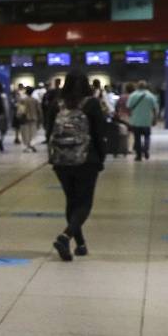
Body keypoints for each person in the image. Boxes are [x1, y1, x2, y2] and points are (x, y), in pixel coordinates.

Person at [49, 75, 109, 262]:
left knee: (71, 201)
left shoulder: (56, 104)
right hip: (86, 159)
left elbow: (47, 131)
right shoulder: (91, 104)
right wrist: (101, 157)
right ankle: (65, 237)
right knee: (84, 203)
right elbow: (99, 133)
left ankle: (80, 245)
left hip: (61, 161)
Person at [125, 79, 160, 162]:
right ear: (145, 86)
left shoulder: (133, 95)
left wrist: (130, 116)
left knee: (137, 138)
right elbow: (155, 108)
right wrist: (155, 118)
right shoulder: (151, 96)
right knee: (147, 136)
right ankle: (146, 149)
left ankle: (139, 156)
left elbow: (129, 107)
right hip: (147, 121)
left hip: (136, 120)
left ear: (137, 86)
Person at [13, 84, 39, 151]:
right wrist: (40, 118)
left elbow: (20, 110)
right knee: (33, 133)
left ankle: (26, 146)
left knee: (25, 133)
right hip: (33, 118)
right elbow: (39, 110)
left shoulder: (23, 100)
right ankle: (32, 144)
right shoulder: (35, 100)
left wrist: (18, 116)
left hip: (25, 119)